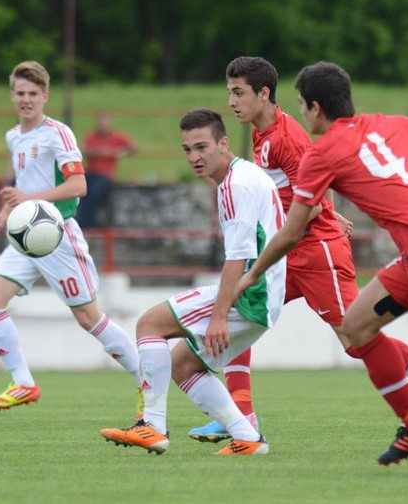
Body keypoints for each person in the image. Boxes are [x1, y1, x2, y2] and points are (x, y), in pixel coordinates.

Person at [189, 56, 408, 443]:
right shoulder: (263, 137)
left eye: (238, 92)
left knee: (356, 337)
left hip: (315, 253)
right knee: (241, 317)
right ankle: (241, 417)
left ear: (264, 95)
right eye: (230, 92)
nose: (231, 102)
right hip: (287, 253)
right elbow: (309, 184)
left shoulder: (287, 135)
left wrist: (324, 215)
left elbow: (311, 194)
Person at [100, 108, 286, 455]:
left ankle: (152, 426)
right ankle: (247, 437)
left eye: (202, 147)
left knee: (149, 324)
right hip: (265, 297)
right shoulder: (244, 174)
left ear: (223, 143)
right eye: (187, 149)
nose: (194, 157)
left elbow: (238, 256)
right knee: (183, 364)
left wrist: (219, 317)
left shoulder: (235, 186)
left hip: (252, 295)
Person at [0, 61, 142, 410]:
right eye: (20, 93)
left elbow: (79, 186)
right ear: (12, 95)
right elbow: (21, 186)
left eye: (33, 94)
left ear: (45, 96)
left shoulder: (58, 133)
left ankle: (148, 378)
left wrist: (27, 200)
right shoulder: (14, 136)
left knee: (90, 320)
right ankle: (23, 383)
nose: (26, 100)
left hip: (57, 236)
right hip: (25, 237)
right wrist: (6, 214)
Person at [76, 112, 137, 228]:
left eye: (104, 125)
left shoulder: (116, 137)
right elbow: (84, 150)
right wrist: (101, 152)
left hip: (105, 176)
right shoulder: (91, 136)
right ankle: (83, 223)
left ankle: (83, 224)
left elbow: (133, 147)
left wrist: (120, 152)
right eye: (100, 125)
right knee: (79, 191)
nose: (102, 127)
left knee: (93, 194)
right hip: (89, 173)